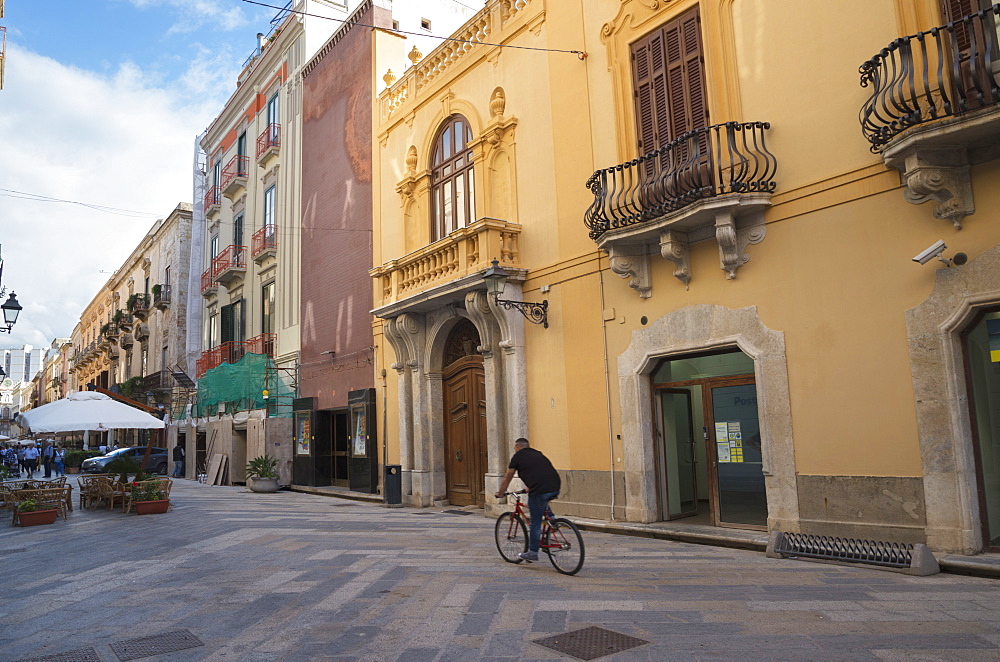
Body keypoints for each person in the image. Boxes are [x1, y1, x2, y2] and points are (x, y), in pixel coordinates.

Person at [494, 437, 561, 562]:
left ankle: (533, 552)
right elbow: (540, 472)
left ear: (518, 447)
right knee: (542, 500)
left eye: (515, 448)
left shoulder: (518, 457)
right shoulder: (537, 453)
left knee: (535, 521)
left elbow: (507, 478)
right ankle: (552, 519)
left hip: (540, 489)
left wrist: (501, 493)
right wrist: (529, 487)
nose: (515, 450)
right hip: (555, 485)